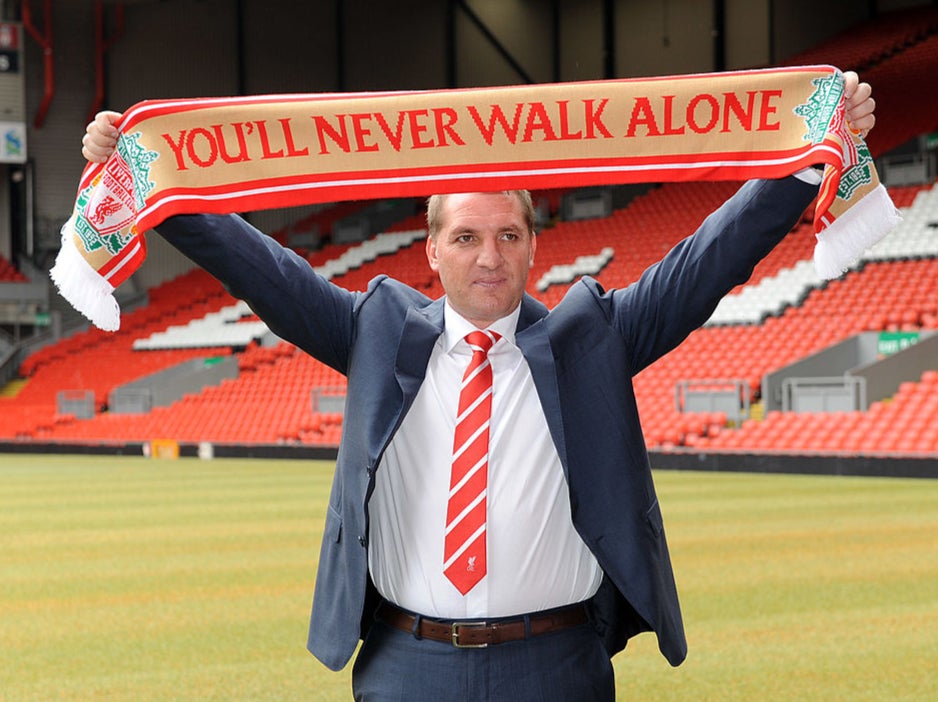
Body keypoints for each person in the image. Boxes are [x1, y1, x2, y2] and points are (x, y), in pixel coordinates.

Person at [81, 72, 876, 701]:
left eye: (506, 235)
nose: (487, 256)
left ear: (534, 246)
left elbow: (708, 259)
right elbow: (262, 269)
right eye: (465, 237)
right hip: (405, 668)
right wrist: (155, 180)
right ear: (432, 250)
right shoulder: (373, 330)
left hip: (556, 667)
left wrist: (813, 150)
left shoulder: (590, 336)